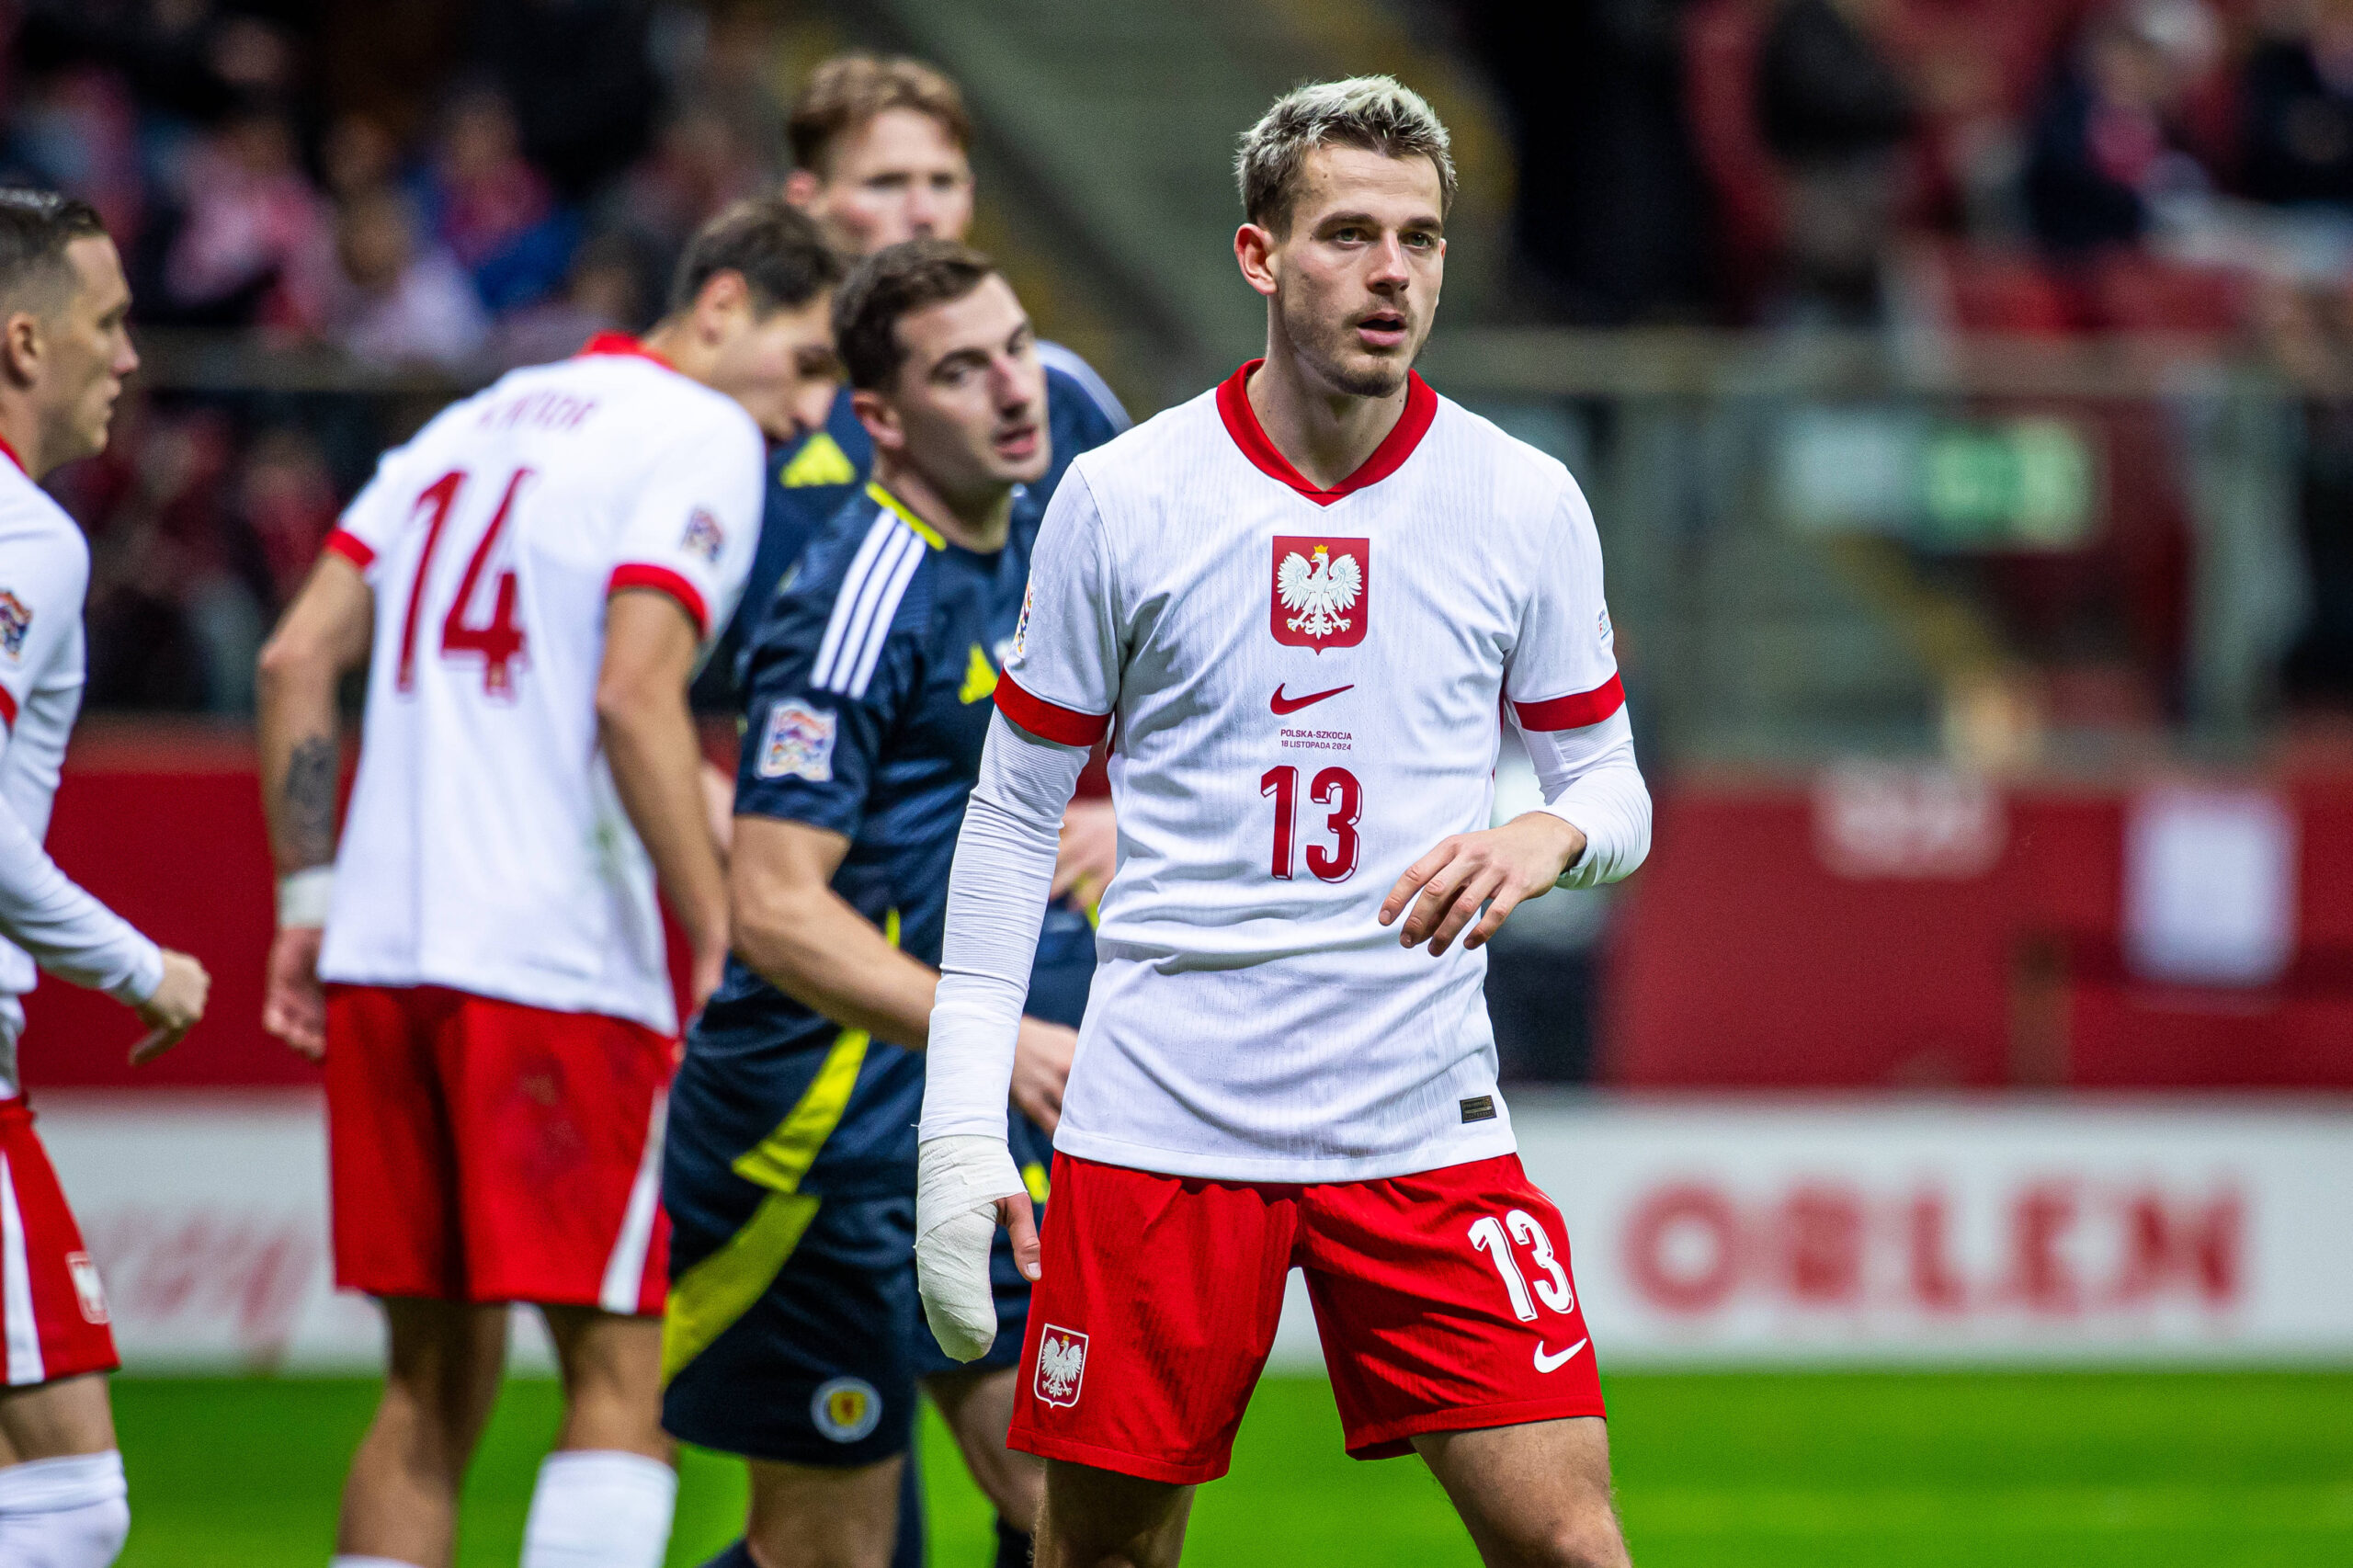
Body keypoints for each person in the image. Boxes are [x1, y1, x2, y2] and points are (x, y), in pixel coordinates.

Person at [914, 79, 1654, 1568]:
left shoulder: (1523, 500)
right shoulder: (1125, 497)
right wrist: (956, 1123)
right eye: (1352, 235)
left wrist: (1546, 837)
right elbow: (1011, 818)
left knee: (1570, 1542)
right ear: (1260, 256)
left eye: (1423, 239)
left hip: (1420, 1116)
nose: (1395, 273)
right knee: (1104, 1555)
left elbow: (1612, 783)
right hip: (1160, 1124)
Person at [253, 197, 841, 1568]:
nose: (809, 411)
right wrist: (719, 930)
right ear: (720, 305)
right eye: (804, 361)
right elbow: (636, 693)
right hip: (553, 961)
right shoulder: (698, 435)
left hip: (388, 953)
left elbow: (293, 659)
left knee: (427, 1389)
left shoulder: (478, 415)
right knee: (624, 1374)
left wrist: (305, 898)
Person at [661, 241, 1077, 1568]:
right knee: (829, 1557)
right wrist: (995, 1035)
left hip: (949, 1121)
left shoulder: (1034, 545)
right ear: (883, 419)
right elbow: (774, 905)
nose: (1016, 388)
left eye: (1015, 345)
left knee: (1092, 1509)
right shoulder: (858, 590)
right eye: (964, 369)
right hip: (812, 1133)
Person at [0, 187, 210, 1568]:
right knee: (71, 1503)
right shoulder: (27, 538)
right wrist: (143, 963)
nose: (131, 356)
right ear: (24, 341)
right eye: (110, 321)